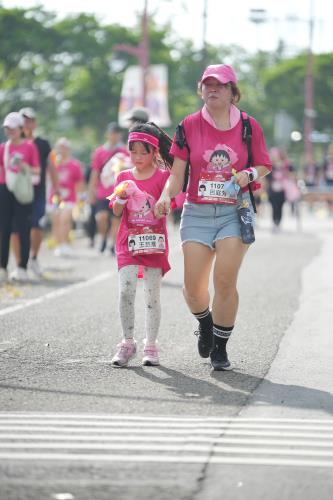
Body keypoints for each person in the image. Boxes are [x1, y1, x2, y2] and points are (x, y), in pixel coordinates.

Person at [154, 64, 272, 371]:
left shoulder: (249, 125)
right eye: (207, 84)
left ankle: (220, 347)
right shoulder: (189, 125)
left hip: (235, 212)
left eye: (219, 85)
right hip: (197, 211)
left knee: (224, 280)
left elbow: (263, 165)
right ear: (200, 89)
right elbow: (177, 174)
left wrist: (248, 174)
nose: (212, 89)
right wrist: (167, 195)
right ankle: (205, 322)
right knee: (192, 289)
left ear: (233, 91)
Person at [109, 122, 172, 368]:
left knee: (152, 295)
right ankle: (127, 342)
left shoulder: (164, 177)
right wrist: (122, 199)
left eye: (142, 152)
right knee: (126, 289)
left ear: (154, 152)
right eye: (132, 151)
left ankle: (151, 345)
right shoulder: (123, 177)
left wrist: (162, 204)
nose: (137, 157)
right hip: (128, 244)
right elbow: (115, 211)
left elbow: (169, 204)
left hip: (154, 245)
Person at [10, 107, 60, 277]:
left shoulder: (43, 144)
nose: (27, 123)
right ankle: (18, 265)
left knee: (37, 224)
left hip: (38, 191)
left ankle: (34, 257)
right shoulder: (13, 143)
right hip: (17, 191)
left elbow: (51, 167)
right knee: (16, 228)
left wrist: (57, 188)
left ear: (35, 122)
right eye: (23, 120)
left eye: (30, 120)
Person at [0, 112, 40, 282]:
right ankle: (3, 268)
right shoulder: (3, 148)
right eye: (7, 128)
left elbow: (37, 171)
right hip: (4, 189)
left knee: (23, 228)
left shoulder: (30, 147)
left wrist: (22, 165)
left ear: (20, 129)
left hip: (22, 190)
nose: (10, 131)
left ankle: (22, 267)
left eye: (13, 128)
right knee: (4, 228)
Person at [88, 122, 128, 255]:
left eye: (117, 133)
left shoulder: (124, 151)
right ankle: (103, 237)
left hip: (118, 191)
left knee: (116, 219)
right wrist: (91, 190)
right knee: (101, 217)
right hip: (103, 192)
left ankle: (112, 244)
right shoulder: (100, 152)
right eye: (112, 133)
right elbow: (95, 172)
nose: (114, 136)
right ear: (108, 134)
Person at [48, 138, 85, 257]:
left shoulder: (74, 164)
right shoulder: (54, 163)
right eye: (60, 147)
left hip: (70, 197)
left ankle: (65, 244)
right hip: (55, 197)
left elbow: (79, 182)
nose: (62, 150)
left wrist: (80, 197)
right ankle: (59, 245)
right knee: (57, 221)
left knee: (65, 219)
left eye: (64, 147)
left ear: (68, 149)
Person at [267, 147, 296, 232]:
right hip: (272, 190)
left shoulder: (286, 165)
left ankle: (278, 223)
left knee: (280, 207)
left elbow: (292, 173)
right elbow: (267, 177)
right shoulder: (270, 165)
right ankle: (274, 223)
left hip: (282, 190)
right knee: (273, 207)